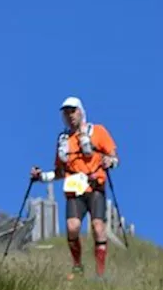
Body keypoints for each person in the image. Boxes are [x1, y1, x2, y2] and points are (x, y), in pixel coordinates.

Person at [30, 96, 118, 280]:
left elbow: (113, 156)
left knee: (98, 227)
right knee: (72, 227)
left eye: (73, 111)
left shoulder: (98, 131)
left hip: (95, 188)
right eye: (66, 113)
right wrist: (41, 177)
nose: (70, 116)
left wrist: (109, 161)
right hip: (74, 190)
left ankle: (100, 273)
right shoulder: (64, 141)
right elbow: (60, 172)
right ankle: (77, 265)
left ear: (80, 112)